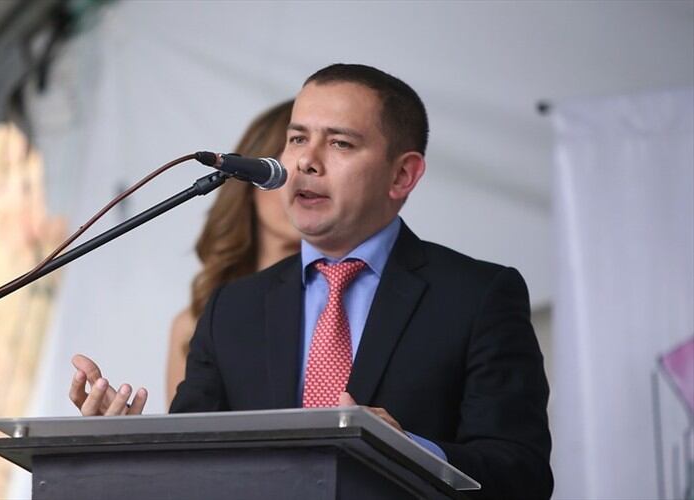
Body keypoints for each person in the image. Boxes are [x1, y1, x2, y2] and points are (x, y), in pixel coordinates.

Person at [70, 64, 553, 499]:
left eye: (340, 143)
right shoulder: (232, 308)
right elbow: (194, 471)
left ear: (402, 175)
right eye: (297, 138)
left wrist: (412, 451)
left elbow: (522, 476)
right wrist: (127, 446)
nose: (306, 161)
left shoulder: (477, 296)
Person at [165, 100, 301, 405]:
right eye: (283, 171)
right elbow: (184, 445)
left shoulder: (337, 309)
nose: (300, 186)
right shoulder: (192, 323)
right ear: (252, 177)